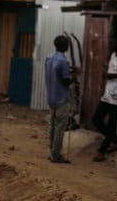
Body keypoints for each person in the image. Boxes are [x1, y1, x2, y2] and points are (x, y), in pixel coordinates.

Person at [45, 35, 76, 164]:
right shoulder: (63, 61)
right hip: (61, 98)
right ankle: (56, 155)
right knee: (59, 127)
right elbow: (65, 81)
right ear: (66, 47)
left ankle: (52, 151)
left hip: (51, 96)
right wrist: (73, 77)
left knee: (53, 126)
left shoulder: (49, 58)